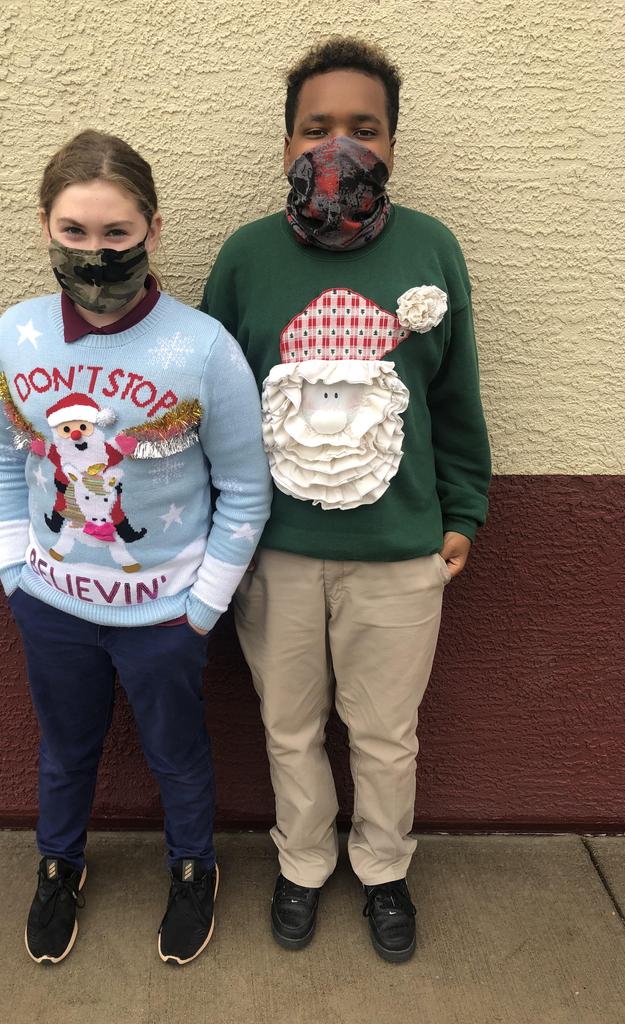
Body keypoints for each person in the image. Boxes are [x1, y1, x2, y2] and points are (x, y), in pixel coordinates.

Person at [201, 38, 491, 962]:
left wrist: (462, 511)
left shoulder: (432, 248)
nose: (339, 146)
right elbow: (214, 407)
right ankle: (302, 862)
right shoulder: (246, 257)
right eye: (316, 127)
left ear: (393, 144)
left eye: (364, 128)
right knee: (288, 727)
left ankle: (383, 869)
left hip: (400, 554)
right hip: (274, 552)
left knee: (385, 733)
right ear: (286, 142)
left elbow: (456, 397)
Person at [0, 129, 271, 966]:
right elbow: (6, 455)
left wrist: (201, 607)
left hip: (164, 617)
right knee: (65, 751)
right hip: (52, 606)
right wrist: (13, 569)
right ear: (44, 226)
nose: (97, 253)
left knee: (176, 755)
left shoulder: (204, 348)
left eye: (117, 232)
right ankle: (59, 864)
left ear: (154, 229)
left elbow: (245, 489)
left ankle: (193, 866)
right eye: (74, 231)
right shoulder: (17, 335)